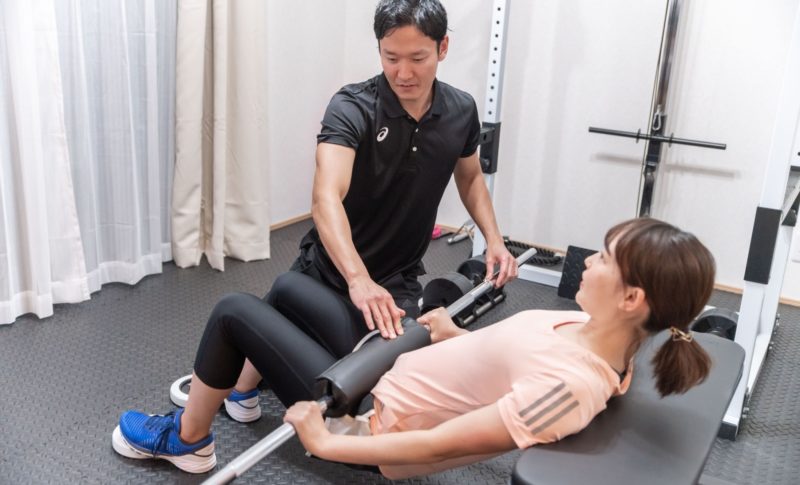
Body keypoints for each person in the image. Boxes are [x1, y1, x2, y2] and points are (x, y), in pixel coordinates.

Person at [111, 217, 716, 478]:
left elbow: (448, 445)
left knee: (232, 310)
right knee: (291, 286)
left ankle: (188, 441)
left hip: (368, 417)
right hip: (394, 365)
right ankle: (240, 397)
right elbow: (512, 364)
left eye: (604, 259)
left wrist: (327, 442)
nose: (588, 262)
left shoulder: (572, 386)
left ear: (632, 298)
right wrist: (457, 337)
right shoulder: (587, 329)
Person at [225, 0, 518, 426]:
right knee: (282, 310)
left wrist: (494, 239)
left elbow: (470, 177)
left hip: (397, 275)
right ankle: (241, 387)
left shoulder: (461, 110)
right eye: (391, 57)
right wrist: (357, 279)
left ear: (443, 48)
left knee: (392, 388)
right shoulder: (353, 106)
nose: (403, 73)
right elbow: (326, 196)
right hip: (333, 264)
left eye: (418, 58)